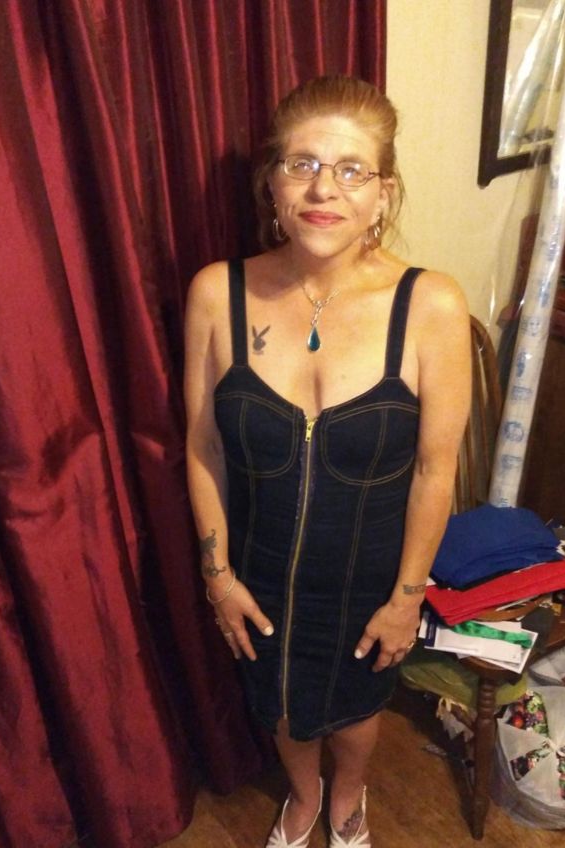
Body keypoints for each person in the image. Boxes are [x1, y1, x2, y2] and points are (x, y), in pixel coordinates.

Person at [184, 75, 471, 848]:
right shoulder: (218, 293)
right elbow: (202, 446)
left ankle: (348, 800)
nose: (323, 188)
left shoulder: (431, 306)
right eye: (302, 164)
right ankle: (303, 796)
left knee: (357, 710)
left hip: (371, 579)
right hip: (258, 571)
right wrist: (218, 579)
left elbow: (435, 472)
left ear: (383, 194)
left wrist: (407, 598)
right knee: (280, 706)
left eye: (351, 169)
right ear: (272, 184)